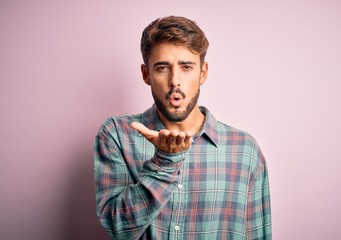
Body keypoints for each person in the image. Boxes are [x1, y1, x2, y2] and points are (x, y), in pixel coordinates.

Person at [94, 16, 272, 239]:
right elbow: (116, 227)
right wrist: (163, 163)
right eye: (162, 68)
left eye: (186, 67)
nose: (174, 81)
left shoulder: (245, 150)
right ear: (146, 74)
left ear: (203, 73)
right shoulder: (117, 135)